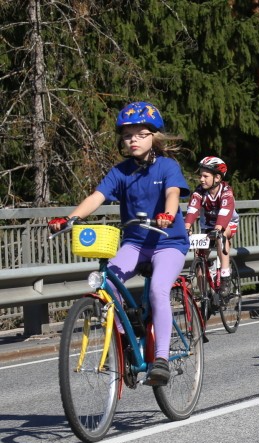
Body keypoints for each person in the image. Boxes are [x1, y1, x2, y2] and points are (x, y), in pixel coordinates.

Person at [48, 101, 190, 386]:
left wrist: (168, 214)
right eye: (127, 135)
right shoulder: (121, 172)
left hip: (168, 242)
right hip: (136, 243)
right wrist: (70, 218)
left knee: (159, 290)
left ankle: (161, 359)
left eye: (139, 134)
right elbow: (97, 197)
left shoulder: (167, 167)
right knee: (105, 284)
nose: (133, 140)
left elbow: (173, 193)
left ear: (154, 136)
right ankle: (126, 339)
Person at [184, 156, 239, 296]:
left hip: (226, 224)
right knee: (199, 257)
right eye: (200, 176)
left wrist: (218, 228)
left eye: (205, 176)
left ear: (217, 178)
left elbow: (225, 211)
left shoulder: (226, 191)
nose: (201, 179)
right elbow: (192, 209)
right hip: (207, 227)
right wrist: (187, 226)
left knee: (221, 236)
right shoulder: (199, 191)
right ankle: (204, 296)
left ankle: (225, 275)